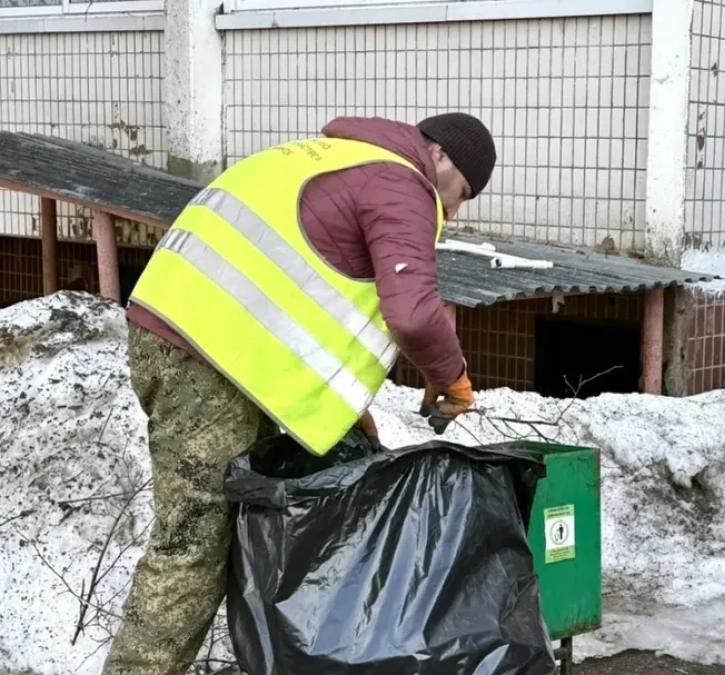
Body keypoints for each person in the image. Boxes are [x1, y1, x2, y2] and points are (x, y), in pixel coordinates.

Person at [104, 112, 496, 675]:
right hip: (203, 357)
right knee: (191, 549)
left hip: (194, 342)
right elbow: (411, 313)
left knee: (236, 527)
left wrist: (346, 406)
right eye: (461, 194)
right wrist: (450, 376)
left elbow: (293, 299)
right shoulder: (402, 183)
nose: (453, 212)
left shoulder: (335, 158)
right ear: (440, 160)